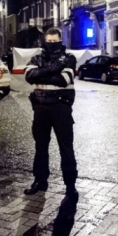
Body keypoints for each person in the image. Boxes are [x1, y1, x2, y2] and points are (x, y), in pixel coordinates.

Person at [24, 28, 79, 202]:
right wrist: (54, 68)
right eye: (49, 41)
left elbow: (64, 80)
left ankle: (70, 186)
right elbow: (29, 76)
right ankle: (39, 181)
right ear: (44, 40)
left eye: (55, 41)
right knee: (40, 147)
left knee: (66, 148)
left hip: (61, 108)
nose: (52, 44)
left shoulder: (69, 58)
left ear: (60, 41)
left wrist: (42, 73)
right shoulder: (36, 58)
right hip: (40, 108)